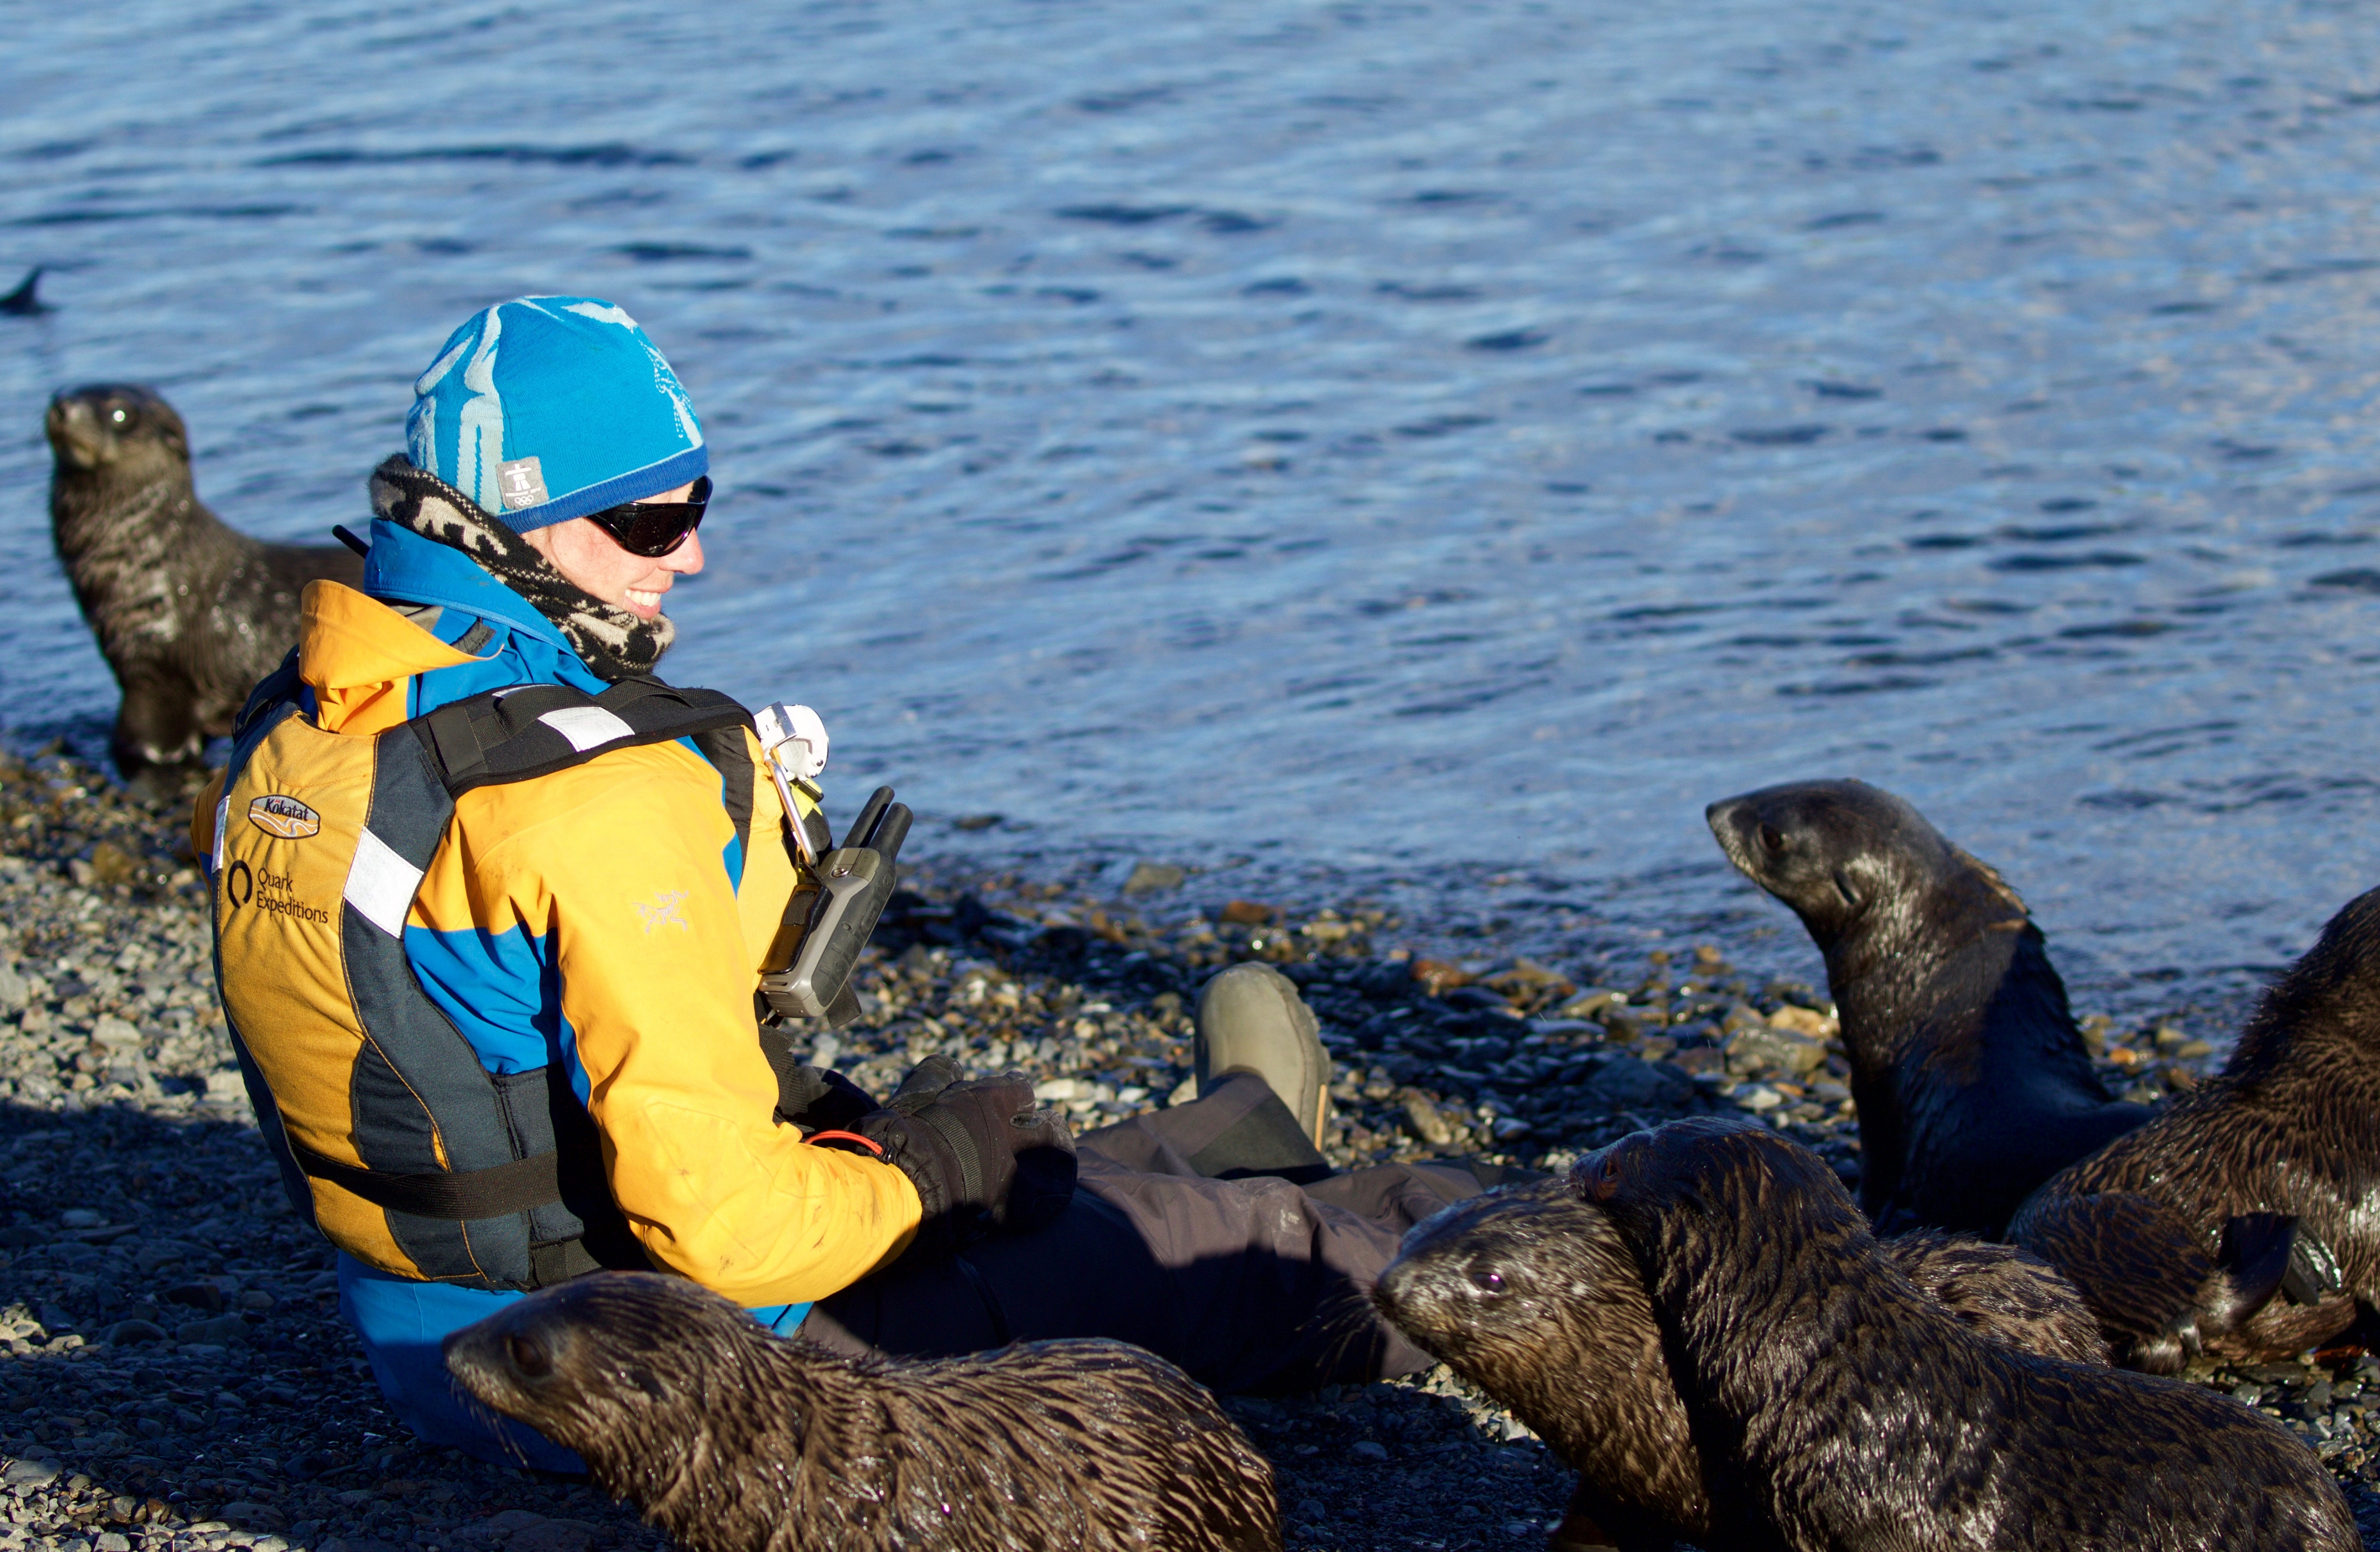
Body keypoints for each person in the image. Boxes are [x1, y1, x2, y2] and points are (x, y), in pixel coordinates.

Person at [201, 297, 1504, 1470]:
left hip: (440, 1354)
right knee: (1238, 1263)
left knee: (1023, 1172)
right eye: (651, 520)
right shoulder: (591, 798)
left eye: (696, 503)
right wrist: (925, 1175)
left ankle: (1235, 1130)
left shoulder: (303, 730)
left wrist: (916, 1161)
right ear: (515, 530)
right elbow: (727, 1228)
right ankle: (1559, 1250)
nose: (690, 556)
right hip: (673, 1375)